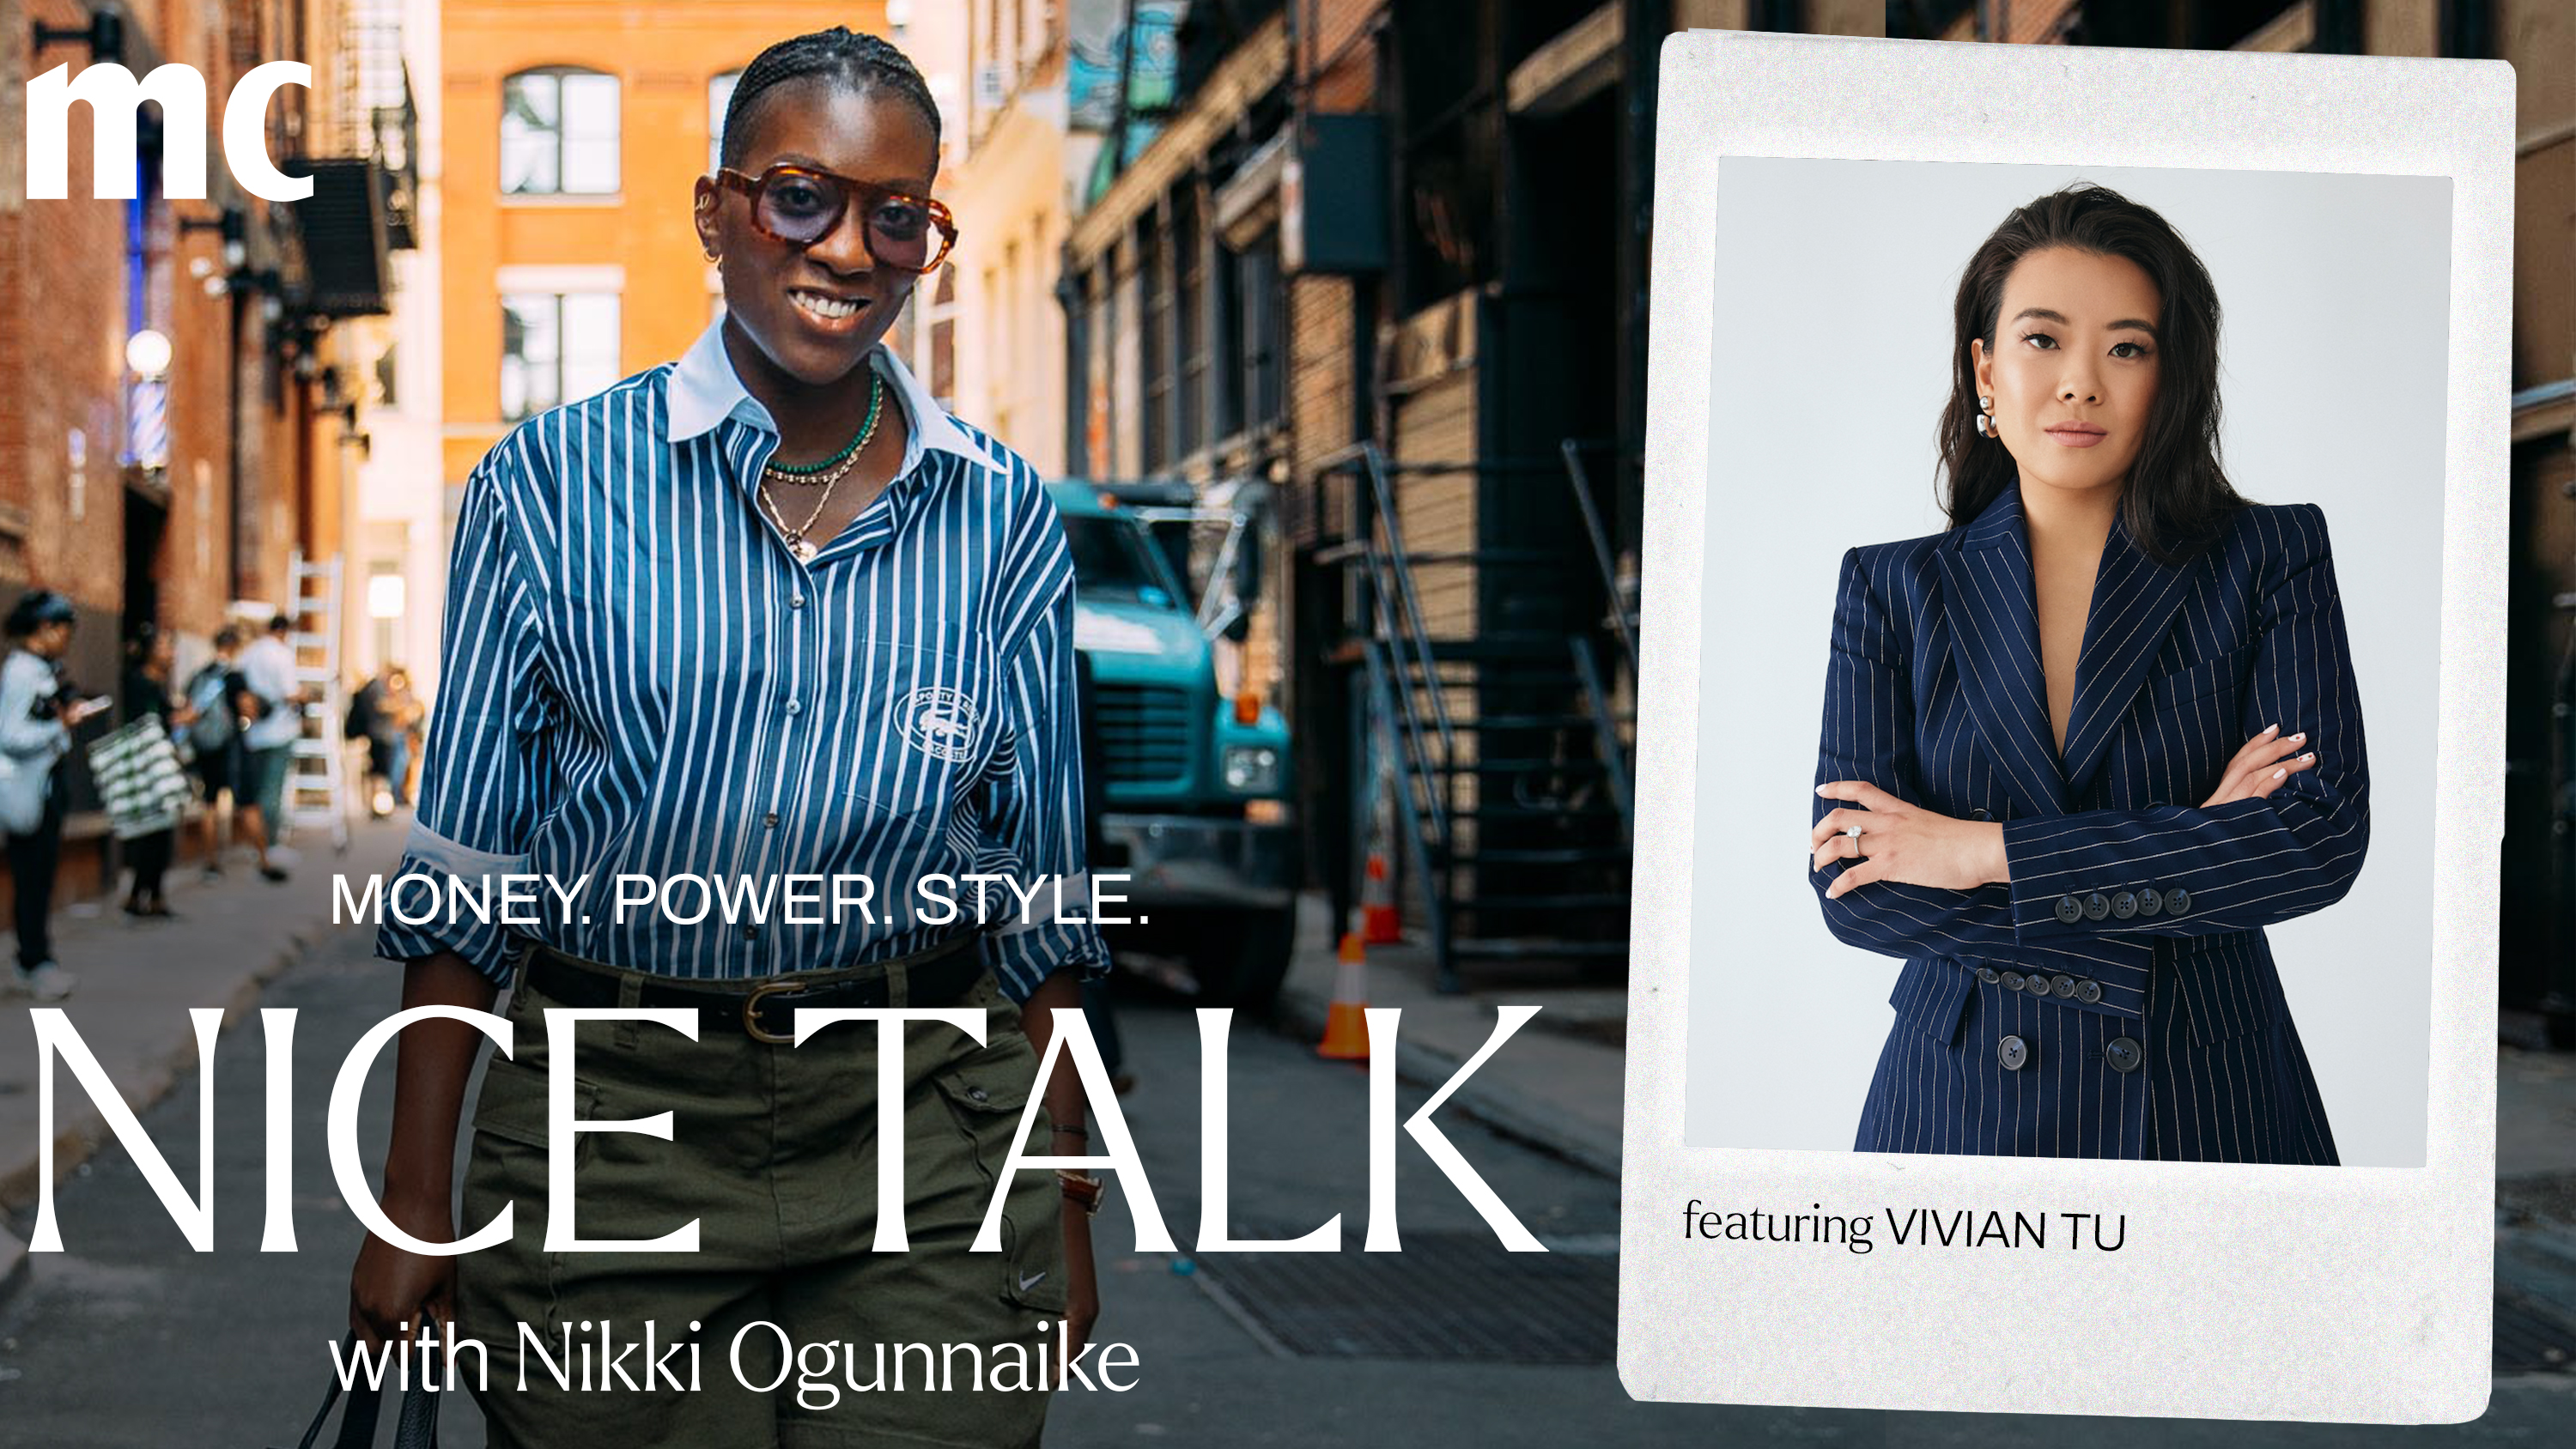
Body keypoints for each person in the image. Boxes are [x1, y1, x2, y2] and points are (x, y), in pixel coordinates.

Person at [349, 27, 1108, 1447]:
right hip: (612, 1126)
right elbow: (466, 880)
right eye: (799, 196)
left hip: (926, 1132)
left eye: (900, 215)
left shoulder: (1003, 517)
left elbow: (1042, 904)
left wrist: (1067, 1198)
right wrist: (414, 1197)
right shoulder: (548, 487)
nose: (848, 247)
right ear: (717, 212)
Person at [1804, 183, 2366, 1165]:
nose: (2080, 383)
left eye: (2127, 347)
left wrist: (1983, 851)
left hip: (2203, 1106)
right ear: (1985, 369)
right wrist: (2197, 841)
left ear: (2173, 376)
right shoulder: (1891, 587)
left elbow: (2314, 840)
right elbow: (1859, 885)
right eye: (2042, 339)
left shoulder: (2271, 557)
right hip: (1960, 1112)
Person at [1, 591, 109, 999]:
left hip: (44, 787)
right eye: (64, 630)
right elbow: (9, 734)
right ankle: (34, 961)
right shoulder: (22, 672)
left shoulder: (40, 670)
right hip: (29, 790)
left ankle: (35, 958)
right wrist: (58, 728)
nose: (68, 639)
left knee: (39, 878)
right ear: (45, 629)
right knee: (32, 878)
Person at [117, 621, 197, 918]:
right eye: (164, 647)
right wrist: (179, 719)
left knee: (159, 833)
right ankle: (143, 896)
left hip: (161, 765)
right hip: (147, 767)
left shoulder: (157, 685)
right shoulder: (139, 683)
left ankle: (149, 895)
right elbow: (146, 725)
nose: (171, 653)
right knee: (151, 832)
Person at [235, 611, 303, 862]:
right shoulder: (282, 655)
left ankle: (256, 843)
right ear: (285, 631)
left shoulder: (250, 652)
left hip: (254, 732)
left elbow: (240, 683)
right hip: (279, 730)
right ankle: (269, 845)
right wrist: (306, 694)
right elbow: (289, 692)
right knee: (272, 790)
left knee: (257, 789)